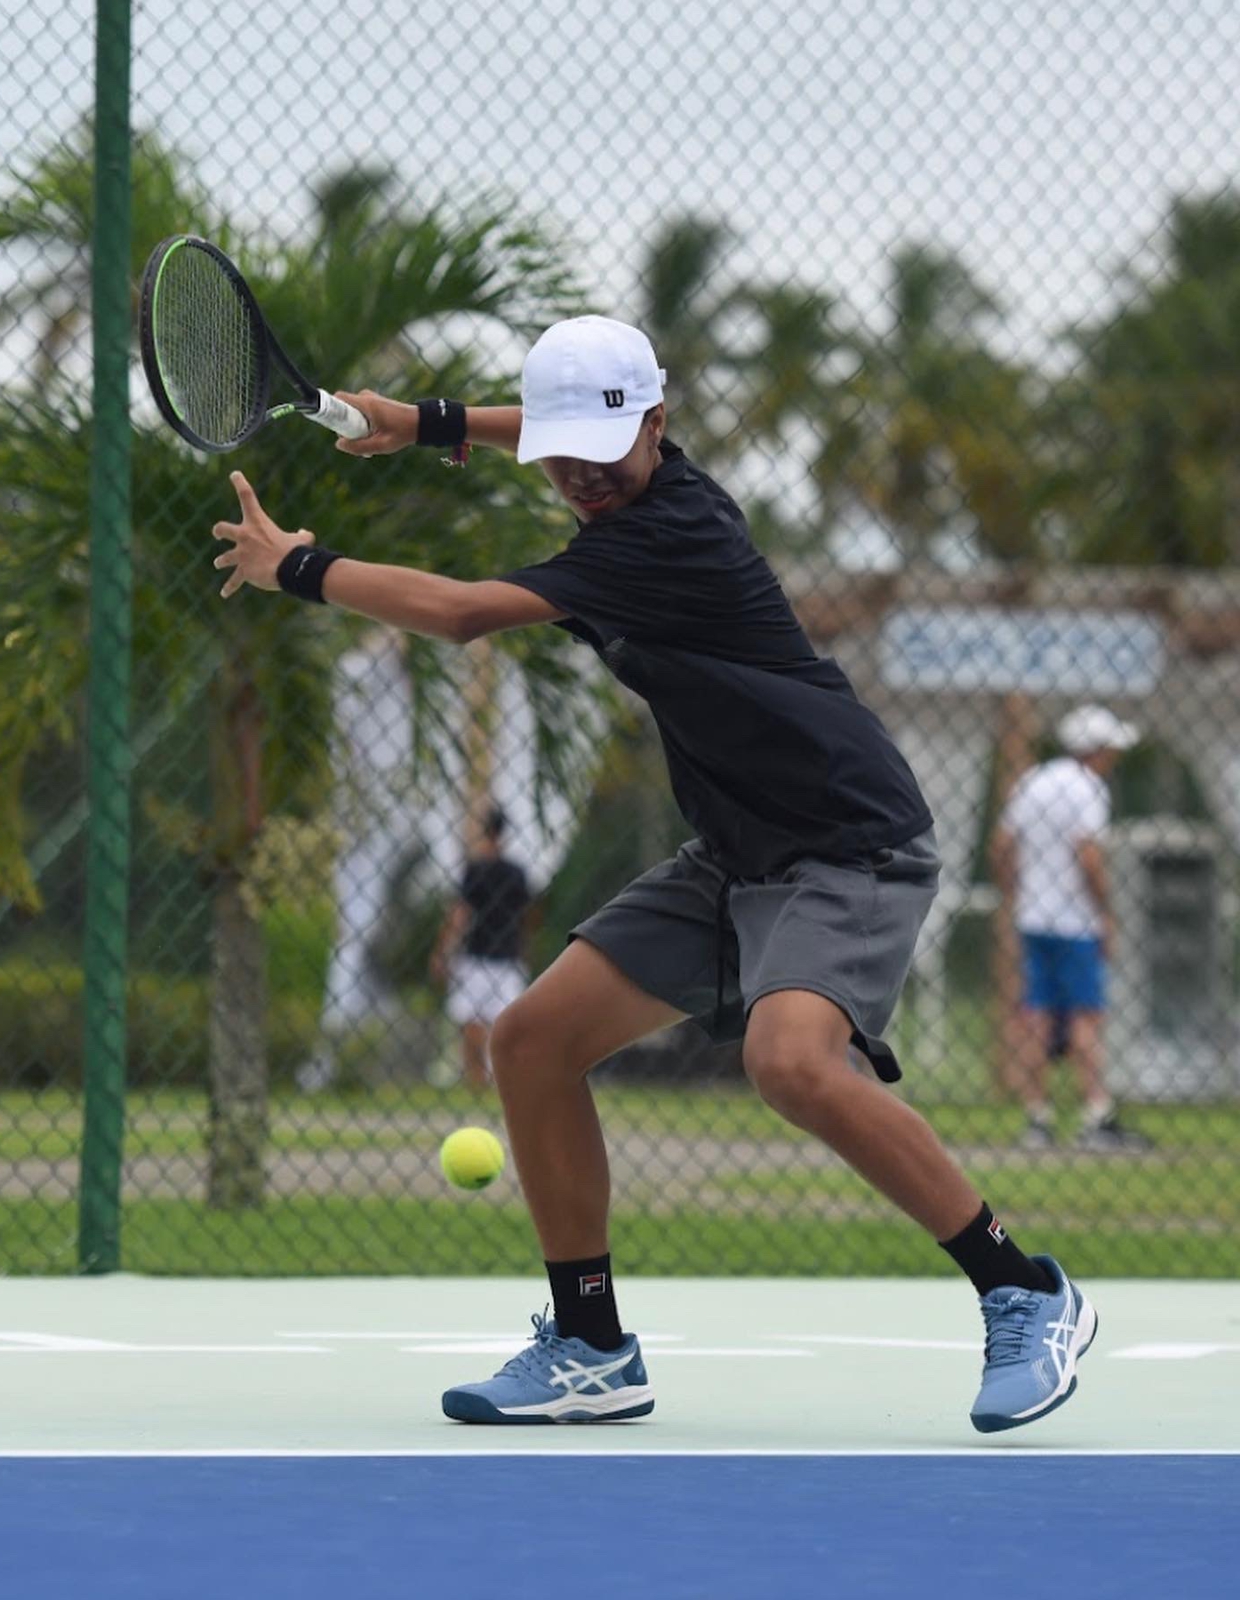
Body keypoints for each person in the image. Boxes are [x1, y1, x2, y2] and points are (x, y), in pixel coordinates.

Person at [210, 314, 1097, 1434]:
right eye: (560, 453)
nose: (578, 472)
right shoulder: (612, 475)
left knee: (789, 1063)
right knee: (530, 1040)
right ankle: (589, 1348)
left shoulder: (663, 536)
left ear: (658, 426)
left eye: (601, 447)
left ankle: (1022, 1290)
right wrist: (423, 423)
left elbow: (465, 614)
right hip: (734, 852)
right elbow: (545, 427)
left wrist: (299, 563)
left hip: (844, 841)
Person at [992, 704, 1151, 1153]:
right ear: (1095, 750)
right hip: (1074, 919)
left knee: (1037, 1014)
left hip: (1033, 916)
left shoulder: (1033, 782)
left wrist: (1016, 893)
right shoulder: (1087, 788)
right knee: (1086, 1014)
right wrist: (1104, 911)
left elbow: (1002, 845)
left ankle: (1037, 1119)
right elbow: (1089, 856)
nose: (1113, 759)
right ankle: (1095, 1115)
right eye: (1110, 749)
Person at [429, 804, 532, 1089]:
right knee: (502, 1023)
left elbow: (460, 914)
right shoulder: (518, 873)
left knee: (471, 1020)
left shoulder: (475, 870)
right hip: (508, 956)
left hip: (477, 955)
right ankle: (494, 1077)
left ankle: (478, 1079)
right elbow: (527, 918)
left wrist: (442, 952)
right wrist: (524, 952)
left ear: (485, 831)